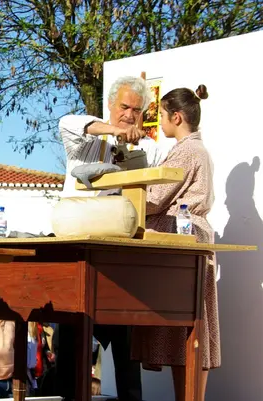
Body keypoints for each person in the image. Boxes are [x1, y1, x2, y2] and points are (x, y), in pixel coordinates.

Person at [56, 76, 165, 401]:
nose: (129, 114)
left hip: (117, 257)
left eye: (136, 109)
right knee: (70, 342)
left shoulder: (149, 149)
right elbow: (68, 122)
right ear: (110, 106)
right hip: (77, 250)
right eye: (124, 107)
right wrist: (113, 131)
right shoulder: (82, 140)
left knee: (126, 347)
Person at [131, 85, 218, 401]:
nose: (159, 123)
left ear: (177, 117)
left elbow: (155, 198)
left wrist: (124, 190)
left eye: (163, 116)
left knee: (187, 328)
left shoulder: (186, 151)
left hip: (182, 242)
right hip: (189, 240)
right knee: (188, 327)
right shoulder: (196, 150)